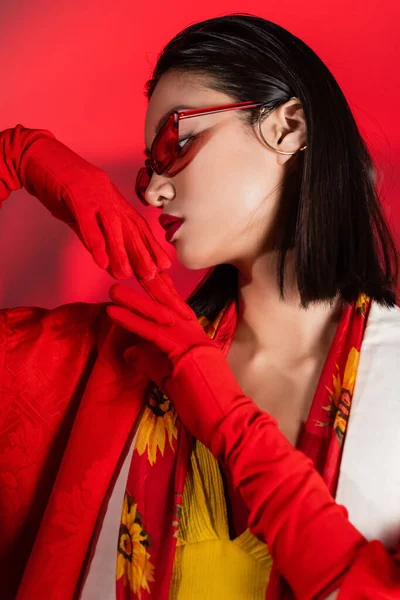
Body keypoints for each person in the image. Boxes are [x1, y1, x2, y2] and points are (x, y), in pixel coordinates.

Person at [0, 12, 399, 600]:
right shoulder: (117, 360)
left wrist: (232, 425)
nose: (155, 188)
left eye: (176, 141)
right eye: (147, 169)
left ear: (289, 128)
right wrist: (16, 158)